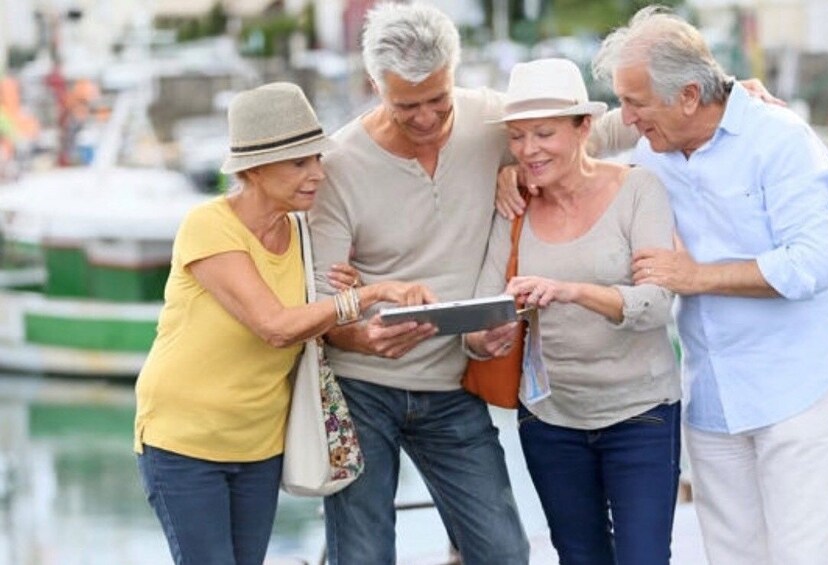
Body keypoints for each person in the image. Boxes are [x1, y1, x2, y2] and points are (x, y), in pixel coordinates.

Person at [587, 7, 828, 565]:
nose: (627, 117)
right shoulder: (651, 148)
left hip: (795, 392)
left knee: (810, 556)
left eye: (636, 103)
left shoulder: (777, 138)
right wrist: (510, 170)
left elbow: (810, 266)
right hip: (711, 396)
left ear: (688, 95)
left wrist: (695, 278)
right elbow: (571, 143)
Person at [133, 82, 433, 565]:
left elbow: (316, 324)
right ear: (253, 169)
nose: (317, 173)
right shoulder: (208, 225)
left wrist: (352, 301)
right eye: (300, 163)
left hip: (260, 443)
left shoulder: (302, 233)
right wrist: (367, 295)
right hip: (184, 441)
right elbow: (273, 325)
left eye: (317, 159)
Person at [307, 3, 530, 564]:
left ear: (455, 74)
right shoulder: (339, 164)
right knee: (362, 557)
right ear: (376, 85)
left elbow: (587, 130)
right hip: (361, 389)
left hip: (452, 388)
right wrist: (360, 336)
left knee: (504, 553)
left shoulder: (491, 121)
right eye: (407, 105)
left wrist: (730, 96)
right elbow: (322, 300)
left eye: (439, 100)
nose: (427, 118)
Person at [465, 57, 680, 565]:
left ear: (585, 127)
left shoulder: (638, 190)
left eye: (543, 133)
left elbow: (656, 305)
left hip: (641, 415)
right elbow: (481, 312)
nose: (528, 150)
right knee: (579, 558)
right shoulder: (515, 204)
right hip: (550, 420)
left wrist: (569, 291)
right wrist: (482, 337)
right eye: (517, 138)